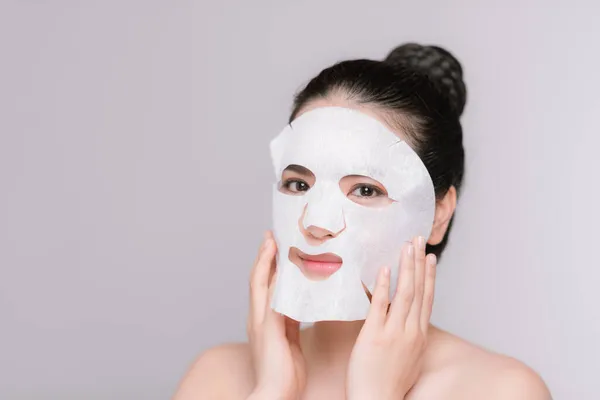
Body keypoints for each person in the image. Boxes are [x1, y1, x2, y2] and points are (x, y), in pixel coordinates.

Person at [173, 43, 551, 400]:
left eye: (366, 190)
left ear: (439, 214)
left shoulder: (499, 391)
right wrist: (272, 390)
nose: (316, 224)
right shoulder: (217, 379)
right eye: (298, 183)